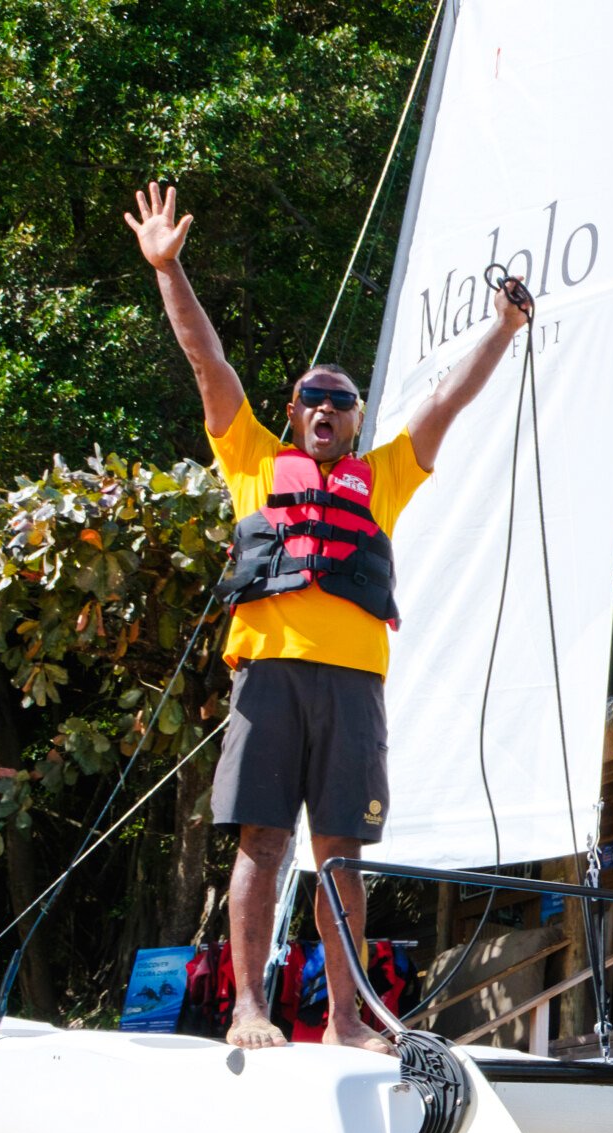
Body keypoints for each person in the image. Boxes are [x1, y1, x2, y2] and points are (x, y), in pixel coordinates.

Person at [128, 183, 530, 1053]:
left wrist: (502, 328)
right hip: (269, 679)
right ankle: (246, 1010)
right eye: (312, 397)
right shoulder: (251, 459)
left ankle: (344, 1021)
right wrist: (170, 271)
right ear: (293, 410)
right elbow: (207, 361)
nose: (323, 409)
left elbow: (448, 403)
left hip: (353, 688)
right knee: (262, 849)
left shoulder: (382, 478)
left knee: (342, 858)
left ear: (354, 422)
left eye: (340, 402)